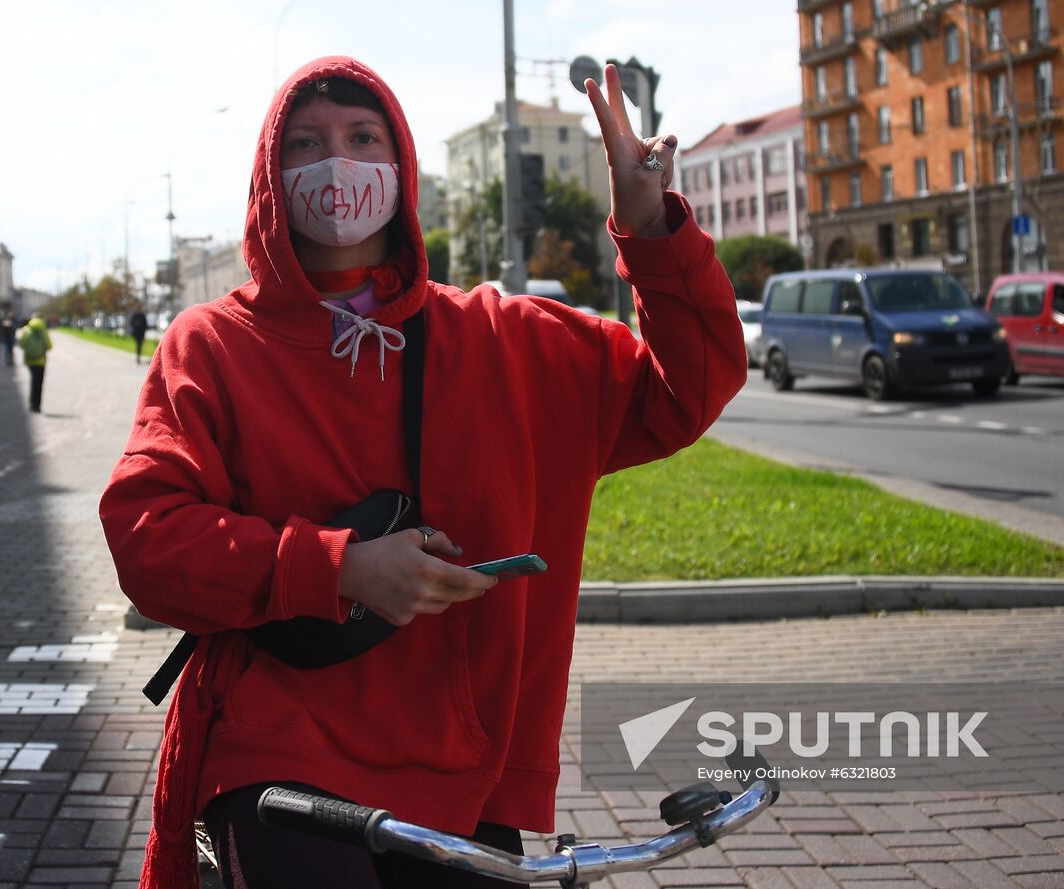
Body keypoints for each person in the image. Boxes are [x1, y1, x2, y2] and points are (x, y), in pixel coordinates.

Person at [99, 57, 744, 889]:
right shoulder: (212, 344)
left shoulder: (504, 340)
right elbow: (148, 538)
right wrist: (338, 567)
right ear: (269, 174)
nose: (337, 163)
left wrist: (650, 226)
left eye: (362, 136)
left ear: (400, 167)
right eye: (306, 143)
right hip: (276, 754)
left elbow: (686, 388)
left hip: (465, 770)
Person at [18, 315, 52, 412]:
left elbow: (21, 343)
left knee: (33, 381)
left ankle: (32, 404)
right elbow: (49, 345)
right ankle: (37, 405)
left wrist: (29, 350)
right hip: (41, 360)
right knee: (39, 383)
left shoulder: (26, 329)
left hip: (29, 359)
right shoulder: (43, 330)